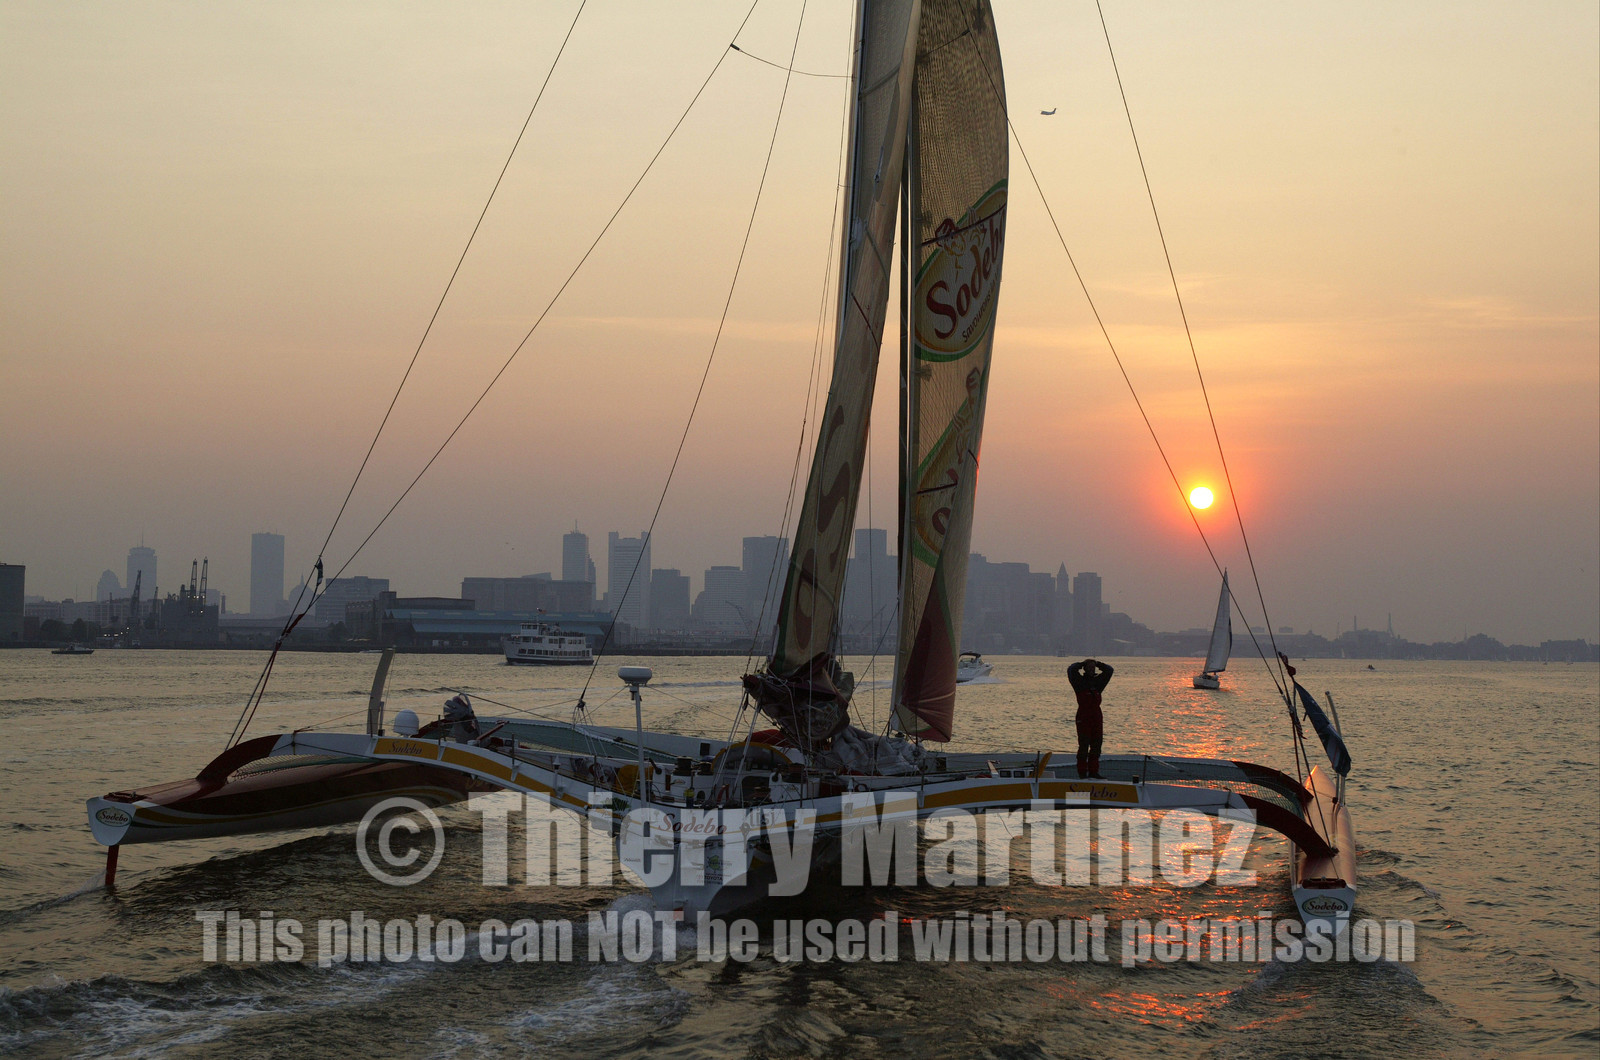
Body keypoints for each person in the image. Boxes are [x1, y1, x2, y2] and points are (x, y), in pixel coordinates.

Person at [1066, 658, 1114, 779]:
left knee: (1096, 745)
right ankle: (1082, 772)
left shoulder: (1099, 683)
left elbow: (1109, 670)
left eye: (1093, 667)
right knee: (1083, 745)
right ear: (1085, 669)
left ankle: (1094, 771)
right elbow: (1071, 669)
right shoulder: (1079, 682)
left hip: (1096, 716)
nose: (1092, 669)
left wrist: (1098, 663)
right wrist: (1082, 663)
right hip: (1083, 716)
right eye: (1089, 667)